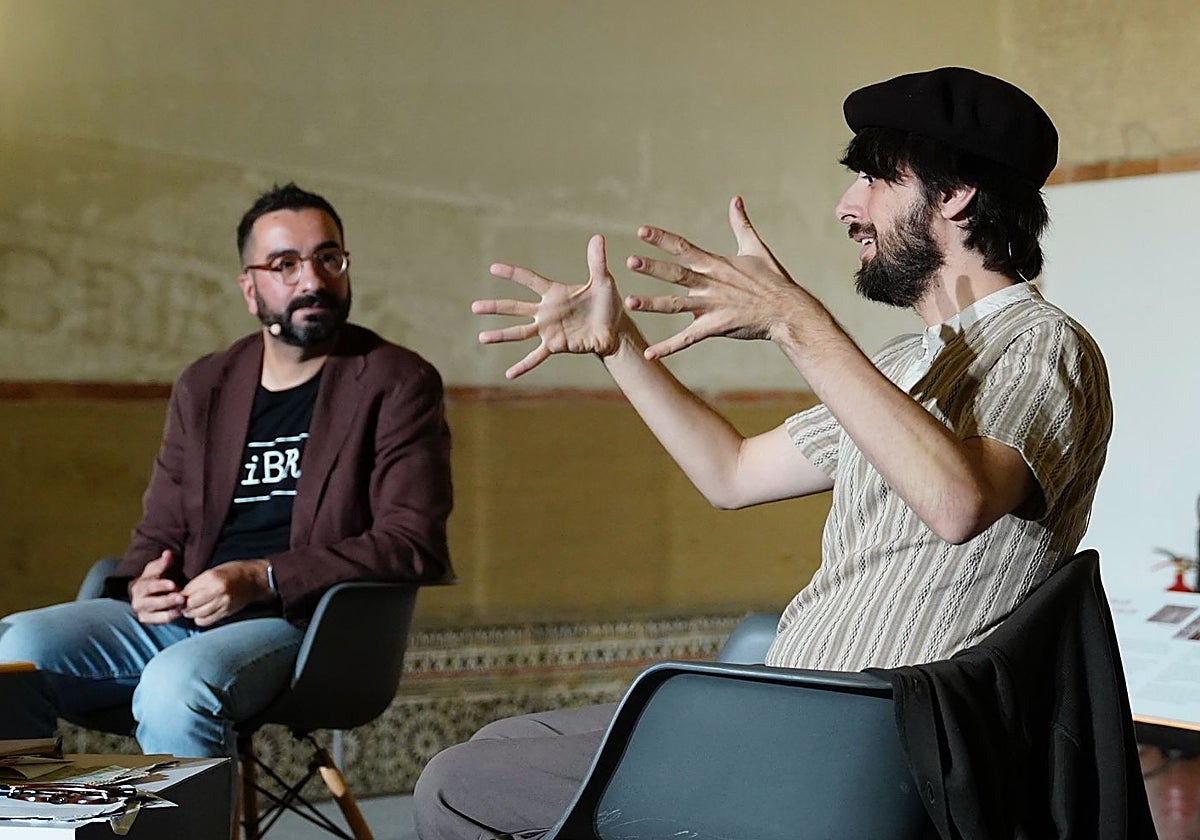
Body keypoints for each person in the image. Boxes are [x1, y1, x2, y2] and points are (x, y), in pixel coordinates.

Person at [413, 67, 1112, 840]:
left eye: (877, 180)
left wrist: (793, 320)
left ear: (955, 195)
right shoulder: (898, 364)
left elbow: (959, 504)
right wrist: (619, 348)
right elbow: (732, 475)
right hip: (788, 707)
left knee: (458, 784)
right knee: (500, 745)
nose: (847, 208)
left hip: (853, 740)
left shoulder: (1042, 345)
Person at [0, 183, 454, 762]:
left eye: (328, 258)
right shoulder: (206, 385)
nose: (311, 281)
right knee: (11, 652)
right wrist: (142, 581)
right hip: (185, 613)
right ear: (249, 288)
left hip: (305, 625)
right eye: (285, 265)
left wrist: (260, 576)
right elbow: (162, 524)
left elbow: (411, 543)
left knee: (175, 686)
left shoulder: (395, 381)